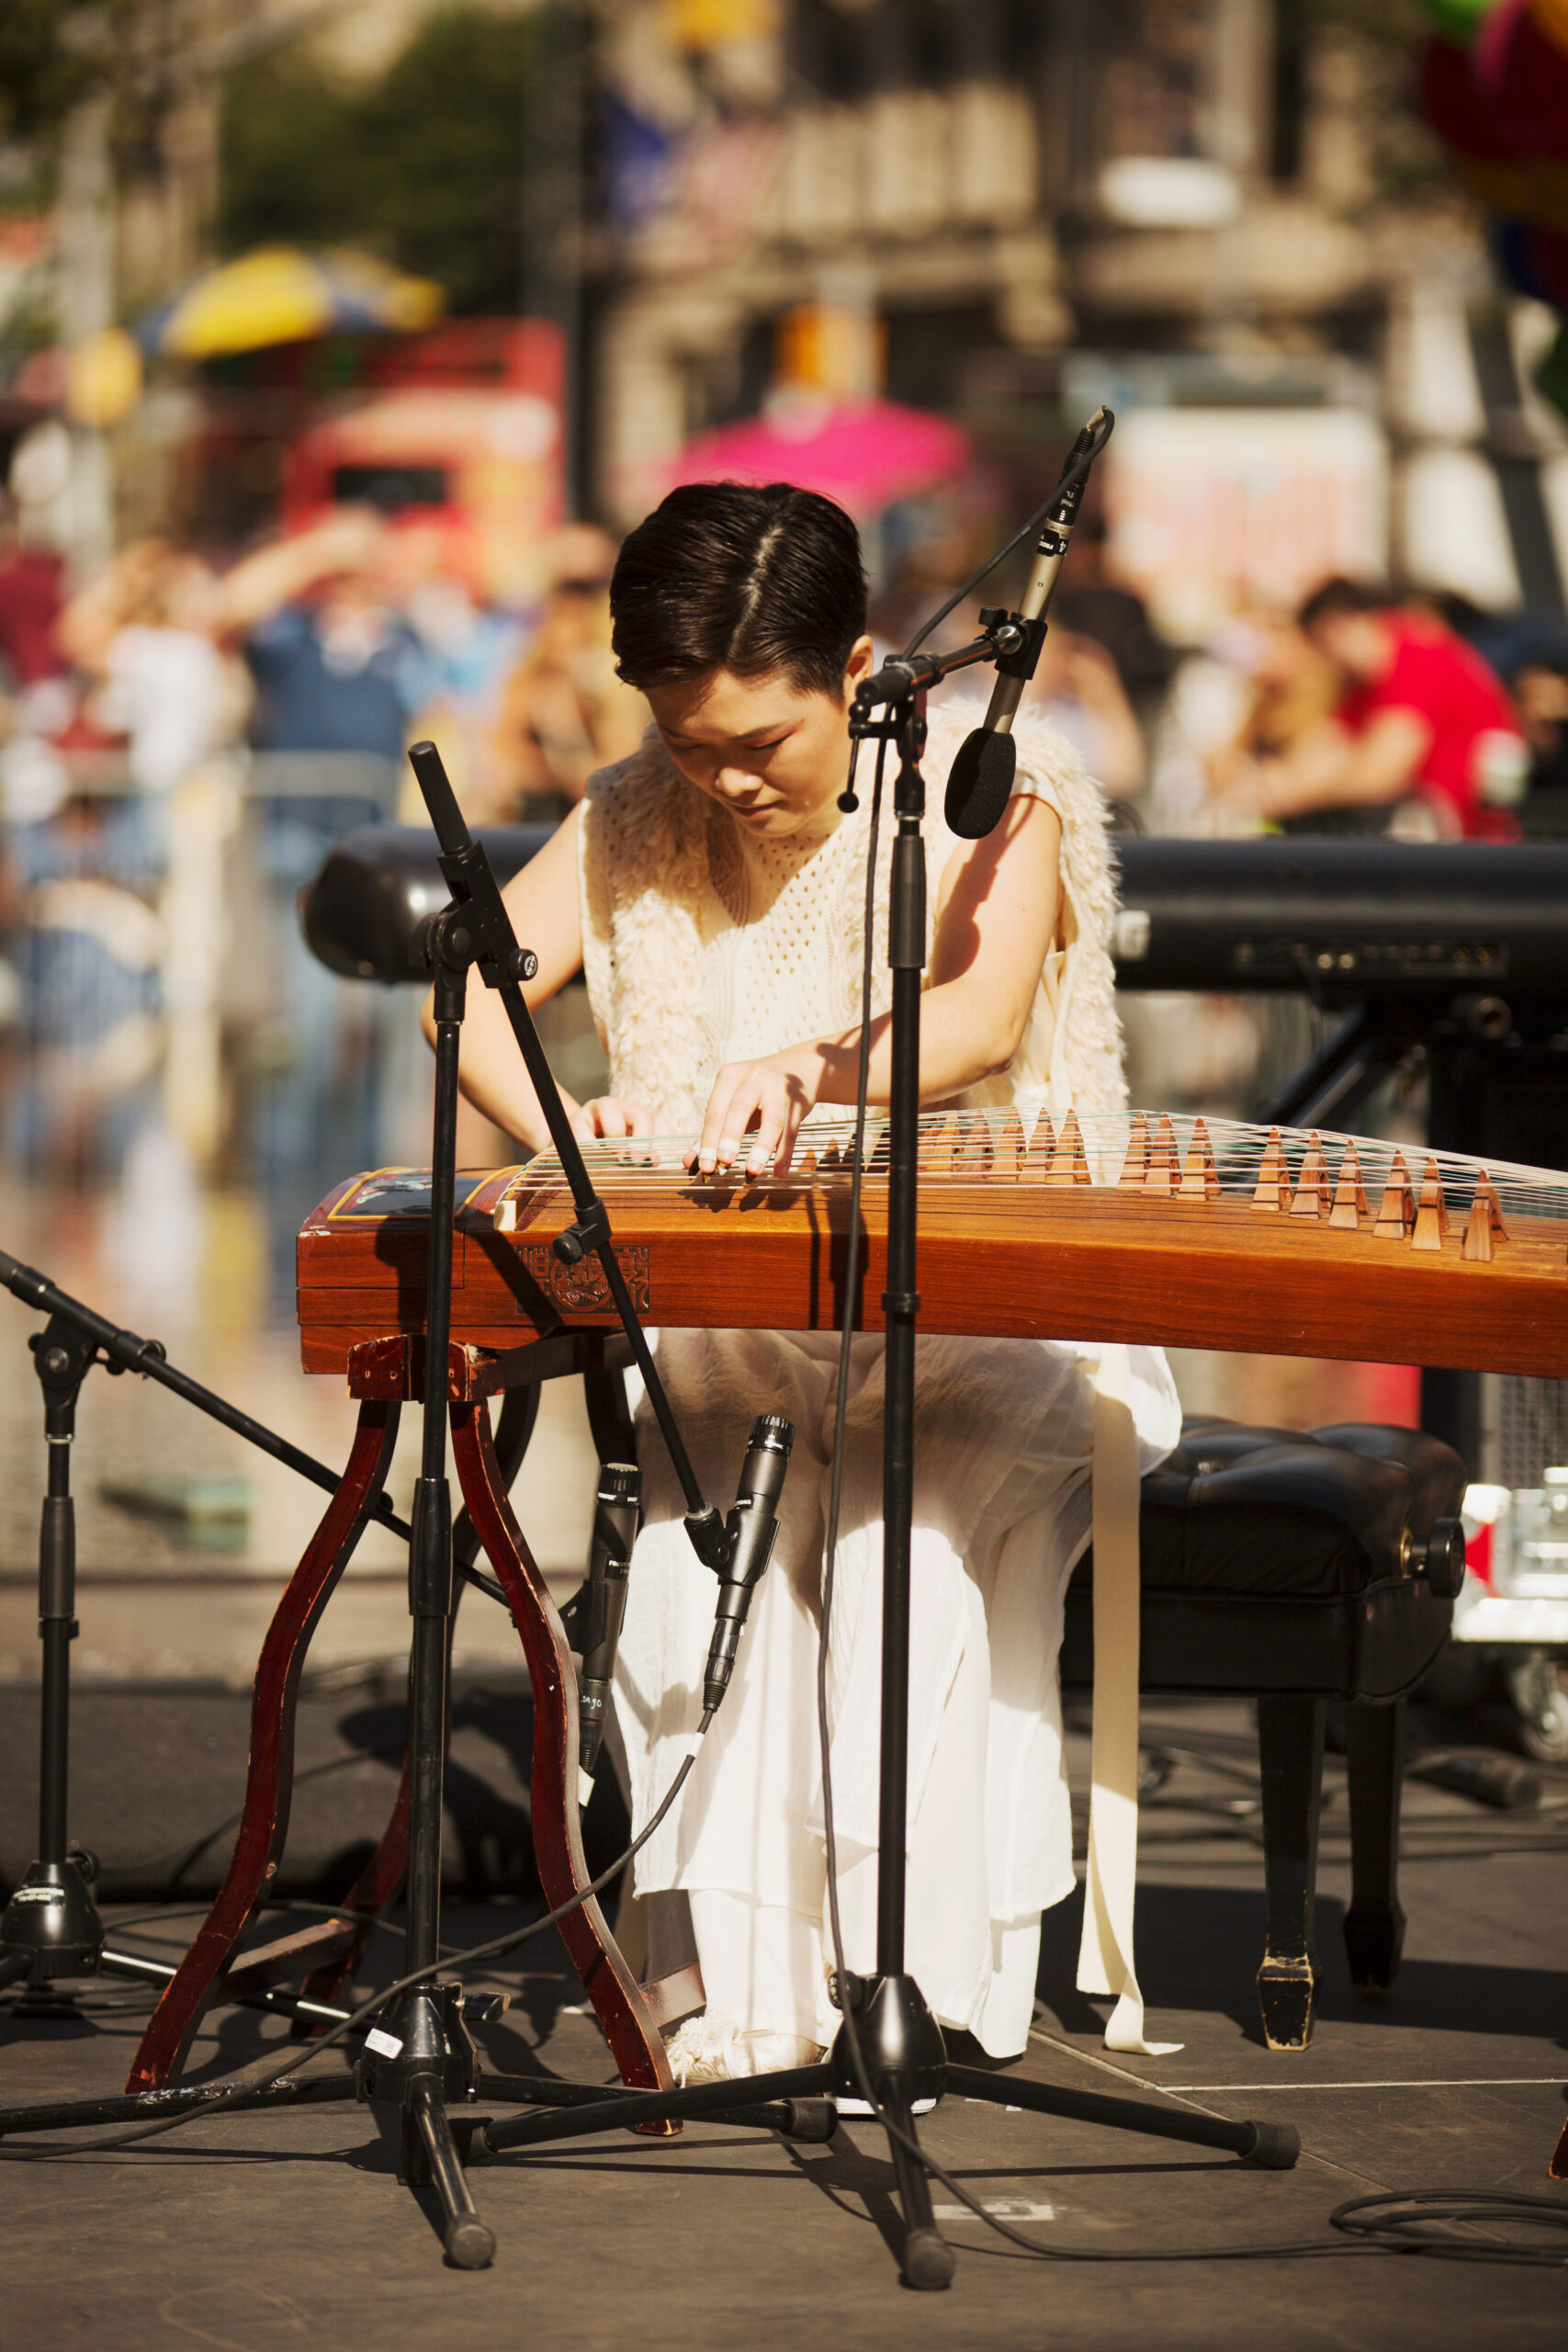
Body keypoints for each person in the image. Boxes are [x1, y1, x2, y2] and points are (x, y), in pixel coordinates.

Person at [434, 483, 1180, 2079]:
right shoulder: (641, 803)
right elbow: (470, 990)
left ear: (855, 670)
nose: (722, 778)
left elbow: (976, 1021)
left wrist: (806, 1067)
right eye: (689, 738)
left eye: (759, 743)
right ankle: (751, 1997)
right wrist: (567, 1132)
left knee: (892, 1556)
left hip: (975, 1320)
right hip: (739, 1334)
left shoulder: (995, 782)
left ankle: (886, 1982)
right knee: (715, 1572)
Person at [1221, 578, 1527, 839]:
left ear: (1334, 625)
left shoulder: (1414, 657)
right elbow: (1327, 747)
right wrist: (1271, 785)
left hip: (1467, 834)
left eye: (1319, 644)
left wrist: (1289, 794)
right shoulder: (1365, 682)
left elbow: (1382, 773)